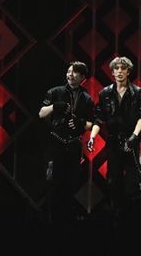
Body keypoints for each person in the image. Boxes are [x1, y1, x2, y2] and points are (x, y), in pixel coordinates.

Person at [87, 57, 141, 210]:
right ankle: (117, 214)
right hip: (113, 141)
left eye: (123, 68)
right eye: (116, 68)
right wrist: (92, 137)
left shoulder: (137, 92)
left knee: (133, 181)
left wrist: (134, 137)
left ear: (128, 71)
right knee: (114, 181)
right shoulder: (105, 93)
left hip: (131, 140)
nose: (120, 71)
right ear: (112, 72)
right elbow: (98, 118)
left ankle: (134, 213)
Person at [39, 61, 94, 224]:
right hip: (56, 143)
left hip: (74, 145)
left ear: (82, 77)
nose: (70, 74)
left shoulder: (87, 98)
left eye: (74, 72)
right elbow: (41, 113)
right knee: (53, 182)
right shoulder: (55, 91)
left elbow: (92, 124)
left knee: (71, 184)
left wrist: (80, 122)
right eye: (69, 71)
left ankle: (66, 220)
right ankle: (52, 219)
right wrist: (55, 106)